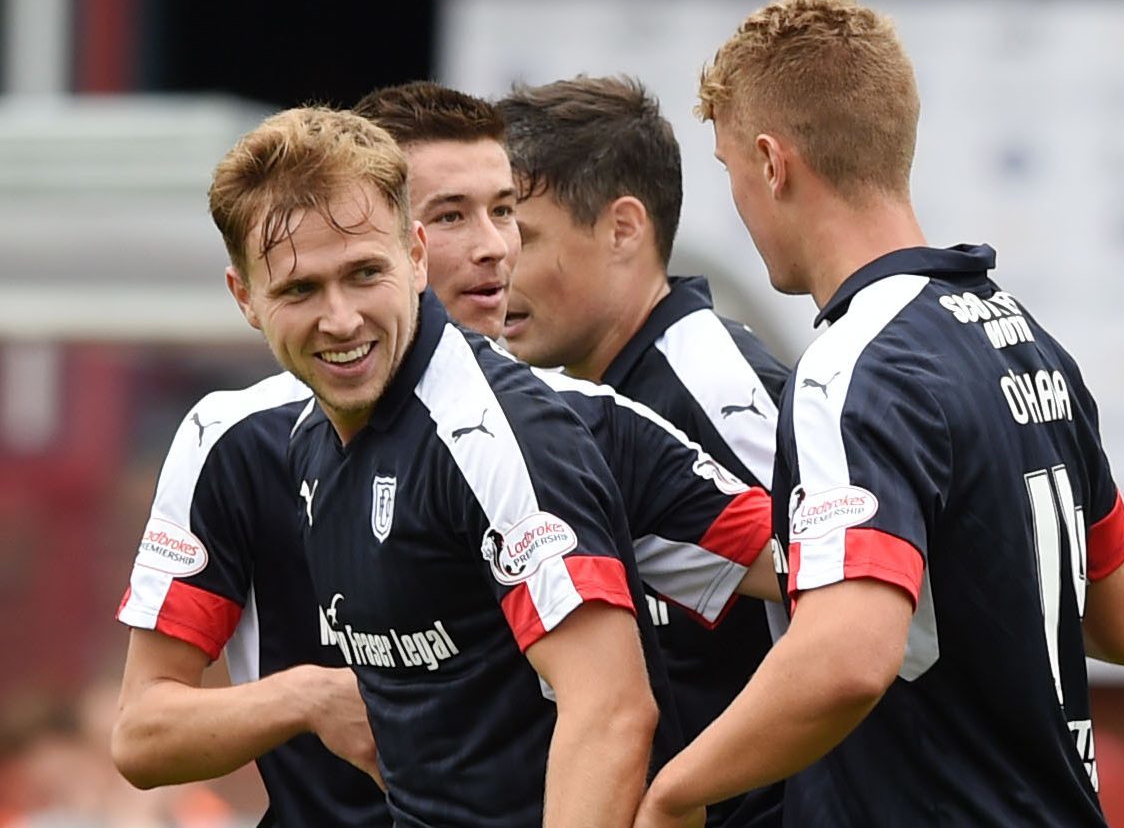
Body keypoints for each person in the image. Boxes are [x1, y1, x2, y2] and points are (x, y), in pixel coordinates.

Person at [114, 82, 774, 828]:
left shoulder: (552, 425)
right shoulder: (255, 437)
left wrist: (721, 800)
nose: (493, 244)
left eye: (504, 209)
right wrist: (306, 696)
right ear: (245, 296)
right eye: (454, 213)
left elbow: (815, 591)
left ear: (408, 254)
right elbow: (140, 734)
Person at [635, 0, 1124, 828]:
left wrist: (676, 789)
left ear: (772, 164)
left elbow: (847, 657)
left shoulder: (853, 364)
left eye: (732, 174)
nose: (739, 204)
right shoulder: (1022, 336)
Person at [210, 103, 666, 828]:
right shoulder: (308, 439)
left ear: (414, 258)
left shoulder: (494, 431)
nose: (340, 320)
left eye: (364, 274)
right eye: (300, 289)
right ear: (246, 298)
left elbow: (610, 710)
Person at [497, 75, 788, 828]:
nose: (494, 269)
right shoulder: (579, 406)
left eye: (520, 235)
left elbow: (857, 611)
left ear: (624, 228)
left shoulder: (710, 382)